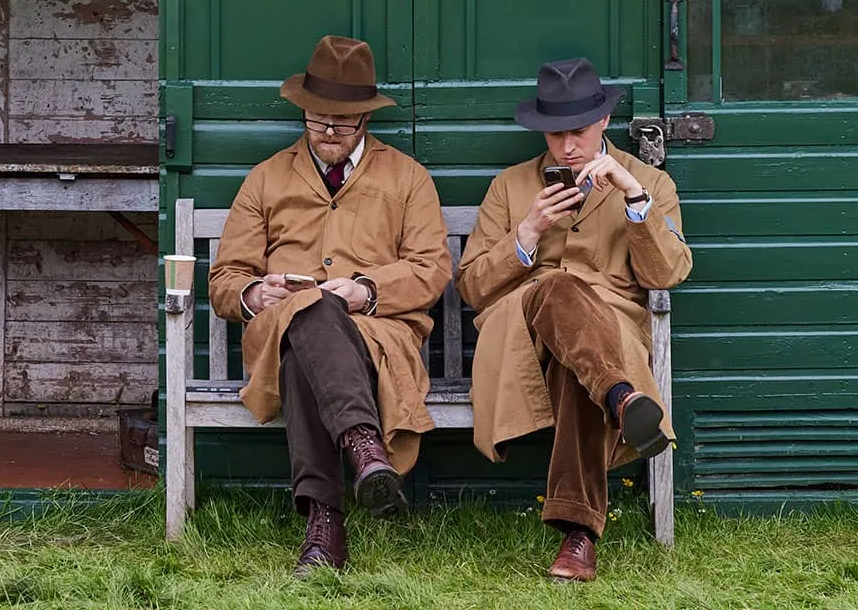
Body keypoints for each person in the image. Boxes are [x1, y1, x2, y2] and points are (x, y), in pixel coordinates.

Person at [208, 35, 451, 575]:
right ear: (303, 111)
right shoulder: (266, 178)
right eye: (319, 119)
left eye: (343, 121)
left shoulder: (407, 177)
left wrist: (367, 290)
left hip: (374, 335)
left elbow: (431, 268)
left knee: (307, 343)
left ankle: (325, 528)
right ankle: (364, 447)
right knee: (307, 313)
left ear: (366, 117)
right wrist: (256, 294)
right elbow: (225, 279)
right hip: (280, 329)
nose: (330, 131)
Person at [458, 57, 692, 583]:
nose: (567, 147)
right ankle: (622, 397)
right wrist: (528, 231)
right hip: (522, 336)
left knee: (580, 365)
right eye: (555, 134)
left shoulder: (649, 182)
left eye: (578, 132)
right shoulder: (511, 186)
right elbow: (471, 285)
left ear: (604, 120)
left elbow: (668, 274)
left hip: (605, 334)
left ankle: (578, 536)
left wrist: (635, 200)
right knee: (559, 287)